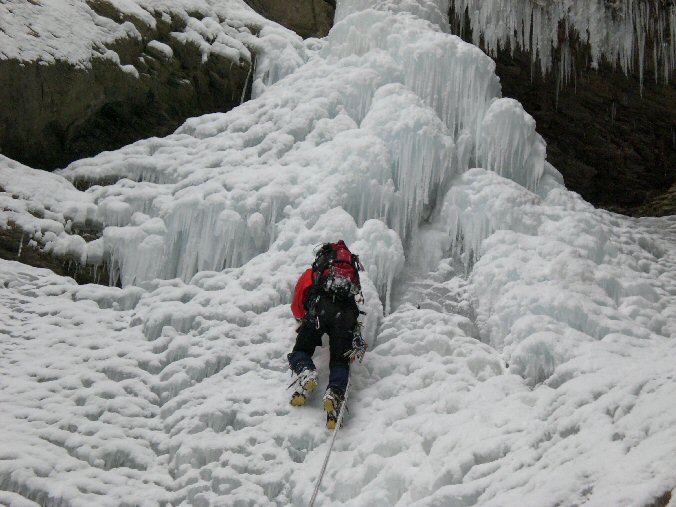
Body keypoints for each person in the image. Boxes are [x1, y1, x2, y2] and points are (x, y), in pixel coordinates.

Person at [287, 240, 367, 428]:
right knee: (340, 361)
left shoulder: (315, 272)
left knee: (300, 350)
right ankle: (335, 393)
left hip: (320, 310)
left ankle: (306, 371)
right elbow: (357, 298)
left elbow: (299, 301)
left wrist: (302, 320)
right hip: (345, 315)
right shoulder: (350, 272)